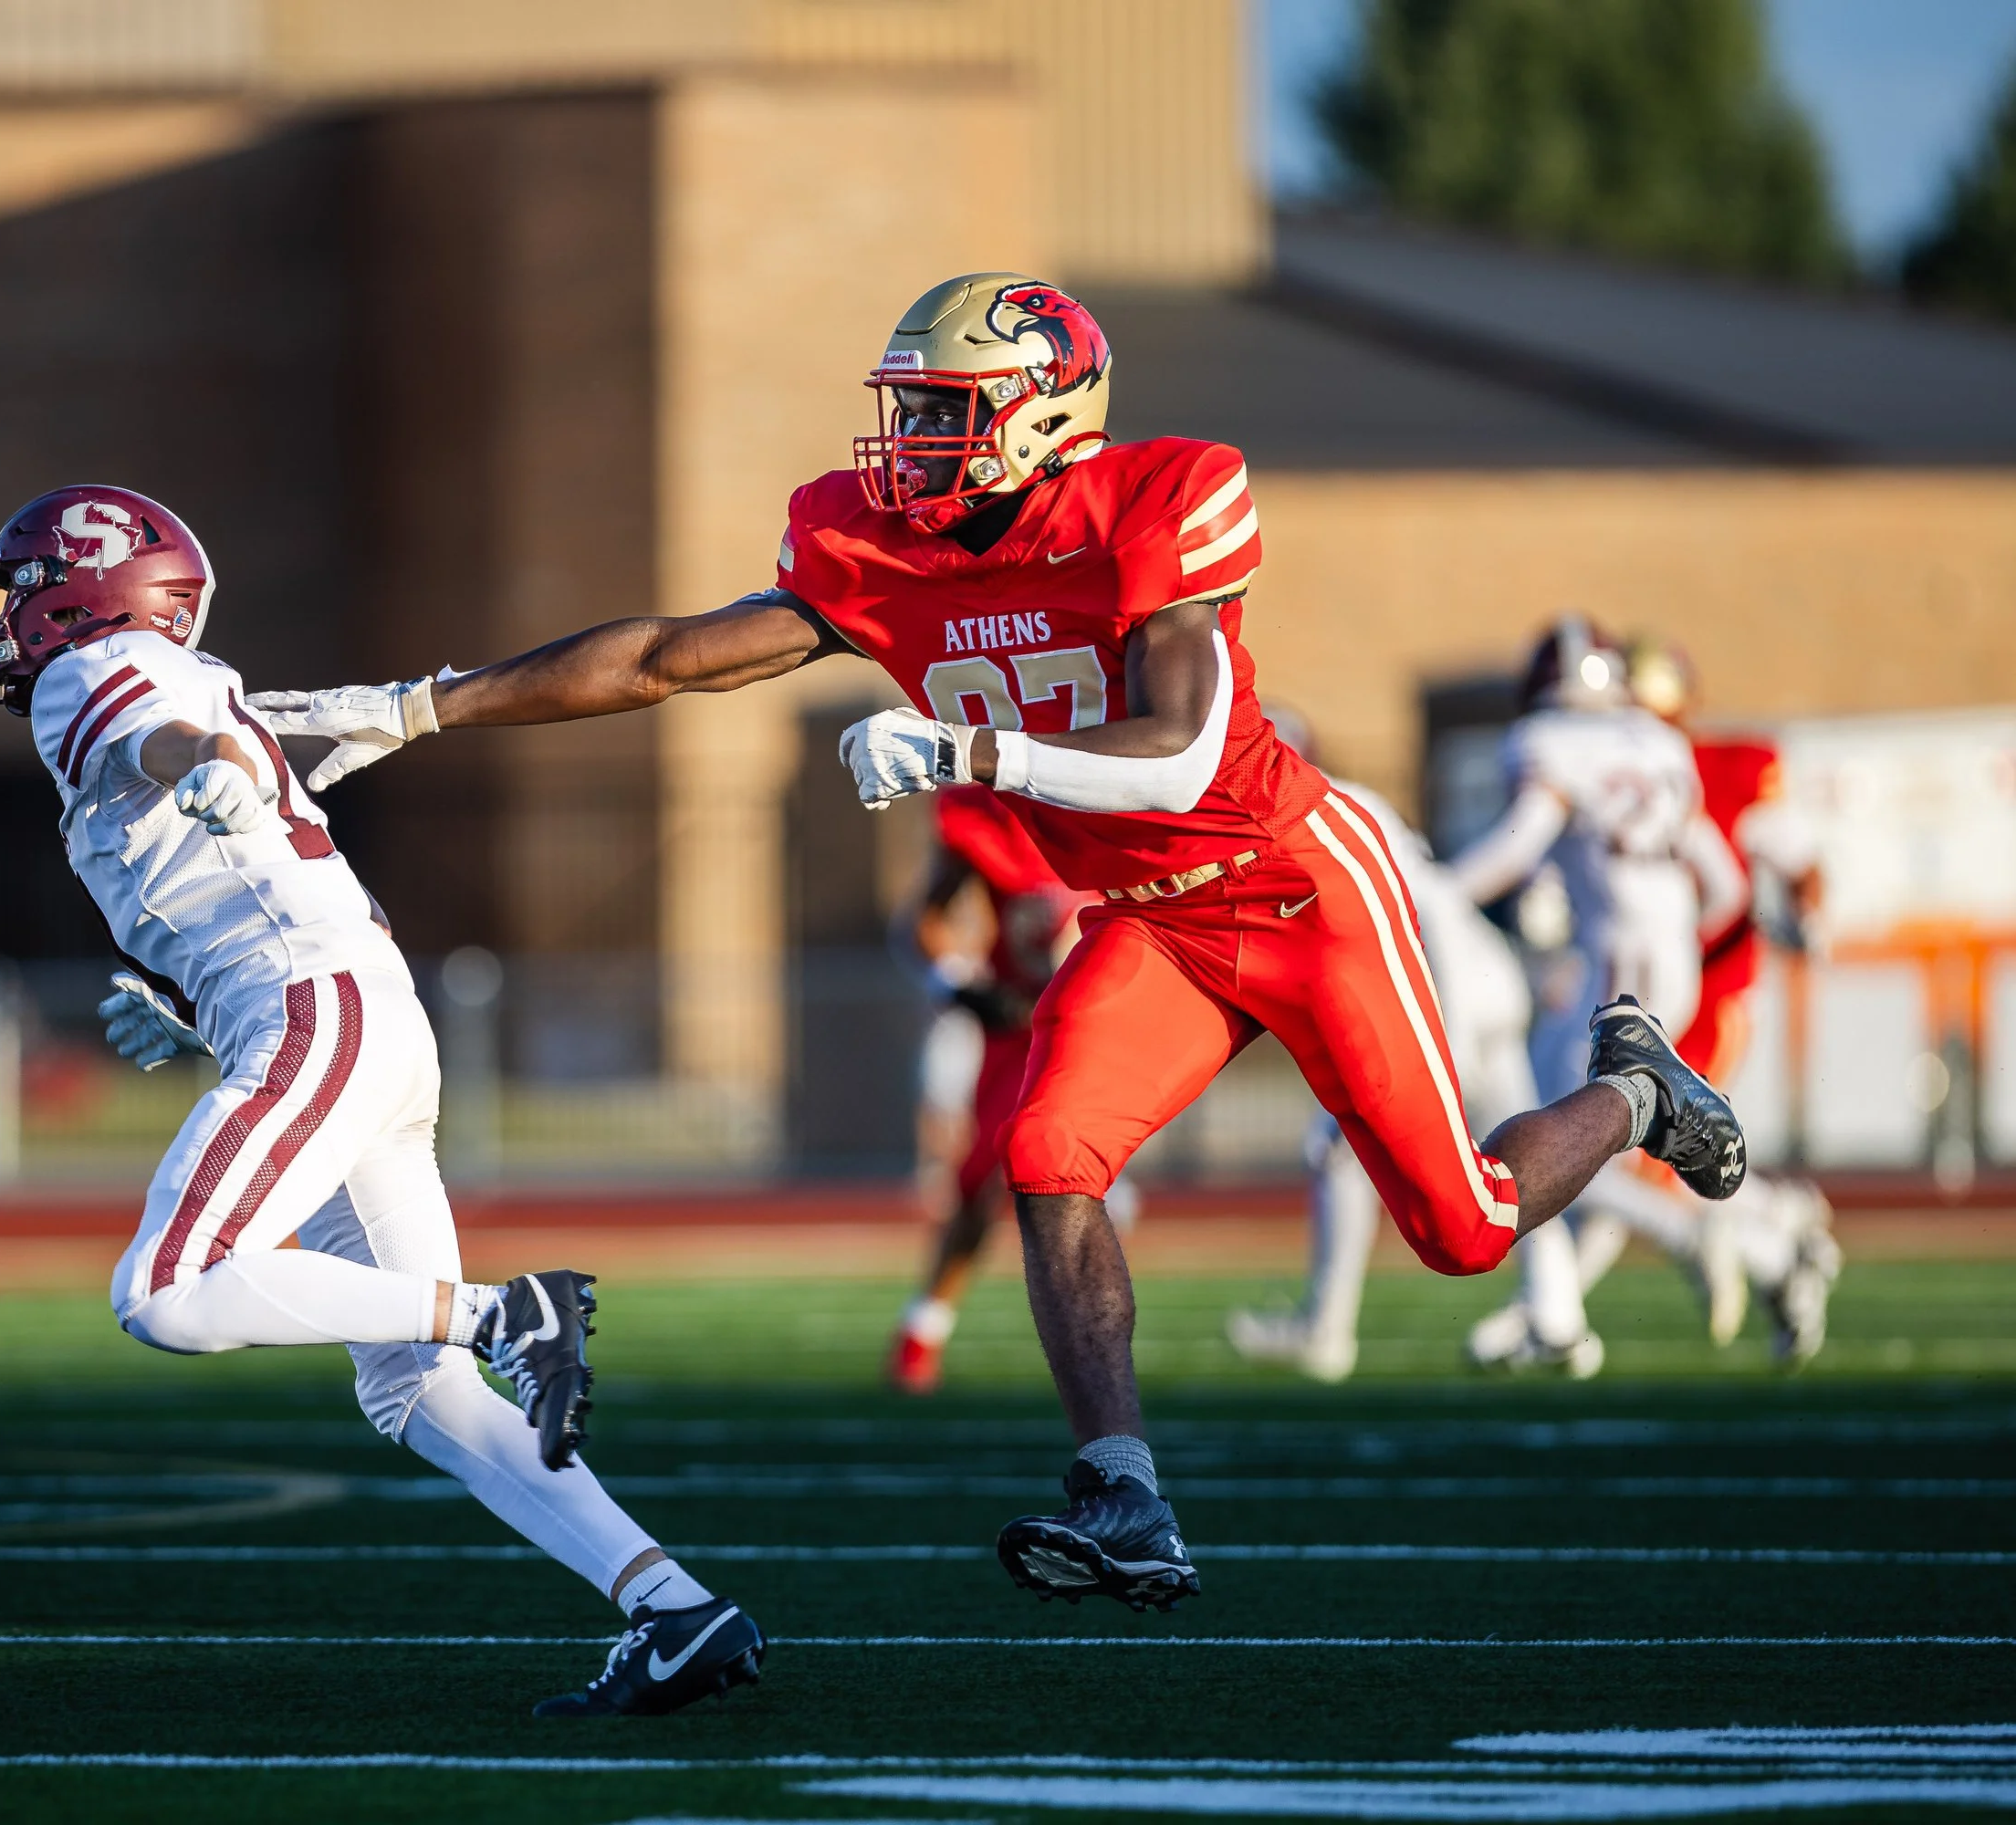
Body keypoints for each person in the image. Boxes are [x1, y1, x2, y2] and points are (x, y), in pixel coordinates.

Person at [250, 274, 1747, 1613]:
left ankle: (1632, 1088)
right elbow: (661, 657)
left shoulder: (1152, 507)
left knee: (1466, 1229)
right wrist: (415, 706)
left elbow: (1172, 755)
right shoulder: (878, 549)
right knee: (1043, 1160)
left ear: (1047, 418)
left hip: (1294, 885)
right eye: (904, 409)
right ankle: (1127, 1494)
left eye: (944, 411)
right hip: (1151, 921)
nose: (904, 442)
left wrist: (976, 753)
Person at [0, 485, 762, 1716]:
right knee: (410, 1387)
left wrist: (203, 764)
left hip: (313, 1009)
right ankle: (675, 1609)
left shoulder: (97, 669)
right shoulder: (163, 677)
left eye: (15, 593)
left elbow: (171, 743)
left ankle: (507, 1311)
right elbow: (226, 837)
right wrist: (181, 998)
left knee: (166, 1295)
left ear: (83, 591)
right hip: (347, 1012)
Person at [1451, 619, 1751, 1372]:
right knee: (1608, 1141)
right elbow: (1724, 884)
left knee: (1553, 1140)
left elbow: (1517, 848)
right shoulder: (1657, 742)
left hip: (1609, 967)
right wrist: (1674, 933)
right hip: (1670, 965)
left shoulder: (1552, 742)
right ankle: (1553, 1316)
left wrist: (1428, 893)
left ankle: (1708, 1236)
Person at [1226, 724, 1539, 1382]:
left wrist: (1446, 1042)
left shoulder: (1324, 803)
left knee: (1364, 1150)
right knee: (1516, 1151)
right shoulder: (1325, 801)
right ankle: (1556, 1310)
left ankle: (1327, 1329)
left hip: (1450, 988)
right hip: (1471, 982)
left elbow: (1435, 908)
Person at [1625, 636, 1841, 1363]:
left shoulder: (1724, 771)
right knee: (1649, 1156)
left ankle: (1780, 1231)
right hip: (1645, 997)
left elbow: (1798, 862)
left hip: (1709, 995)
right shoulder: (1616, 771)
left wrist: (1805, 918)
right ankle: (1783, 1235)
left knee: (1657, 1153)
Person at [890, 783, 1132, 1393]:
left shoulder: (1114, 795)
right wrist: (959, 987)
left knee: (1060, 1177)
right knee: (982, 1185)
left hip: (1105, 1022)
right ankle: (925, 1324)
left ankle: (1092, 1344)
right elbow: (925, 921)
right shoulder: (985, 817)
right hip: (1021, 1029)